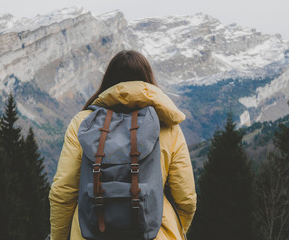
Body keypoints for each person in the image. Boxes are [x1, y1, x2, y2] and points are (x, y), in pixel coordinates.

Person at [49, 50, 197, 240]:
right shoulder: (167, 126)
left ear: (108, 82)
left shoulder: (83, 122)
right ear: (148, 80)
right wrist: (176, 230)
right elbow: (185, 198)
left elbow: (63, 193)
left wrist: (59, 238)